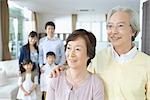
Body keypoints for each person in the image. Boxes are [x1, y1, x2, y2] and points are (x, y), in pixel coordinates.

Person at [50, 6, 150, 100]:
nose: (113, 31)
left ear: (133, 31)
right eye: (110, 26)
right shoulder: (100, 57)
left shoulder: (147, 64)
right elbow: (81, 73)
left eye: (120, 25)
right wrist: (63, 68)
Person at [46, 29, 104, 100]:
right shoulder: (56, 78)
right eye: (69, 48)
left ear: (89, 54)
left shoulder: (95, 84)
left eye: (77, 49)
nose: (71, 54)